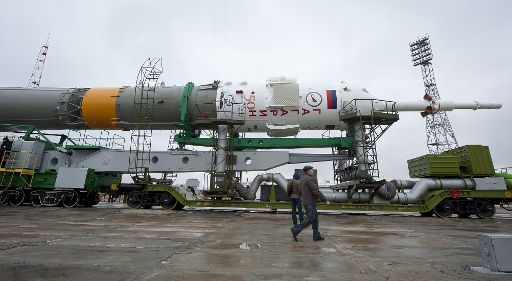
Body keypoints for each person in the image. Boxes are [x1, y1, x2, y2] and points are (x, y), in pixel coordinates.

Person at [291, 165, 330, 242]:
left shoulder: (302, 180)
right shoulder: (310, 179)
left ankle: (316, 236)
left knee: (315, 219)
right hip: (310, 202)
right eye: (312, 170)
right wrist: (325, 200)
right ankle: (295, 229)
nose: (312, 171)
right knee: (310, 218)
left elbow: (299, 191)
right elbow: (316, 191)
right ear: (308, 171)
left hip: (306, 201)